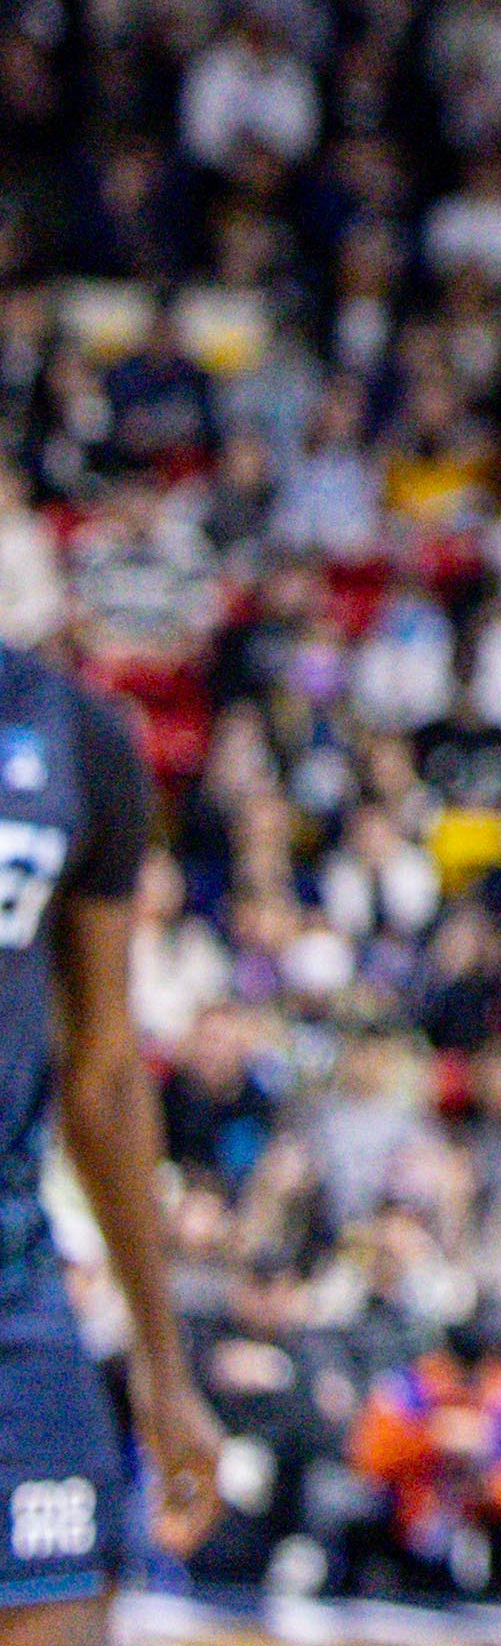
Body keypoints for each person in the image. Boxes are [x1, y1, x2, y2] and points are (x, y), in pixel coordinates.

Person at [0, 612, 216, 1639]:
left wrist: (162, 1366)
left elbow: (106, 1075)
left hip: (13, 1285)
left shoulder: (73, 732)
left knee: (61, 1608)